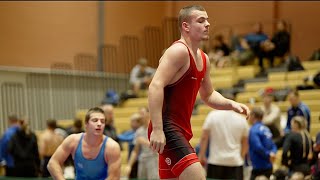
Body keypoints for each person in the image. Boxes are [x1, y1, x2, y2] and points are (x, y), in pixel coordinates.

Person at [147, 5, 250, 180]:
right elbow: (155, 86)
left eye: (207, 20)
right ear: (186, 26)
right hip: (167, 128)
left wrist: (230, 104)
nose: (207, 24)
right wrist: (157, 129)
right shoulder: (178, 51)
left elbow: (208, 95)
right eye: (201, 21)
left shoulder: (204, 58)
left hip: (181, 130)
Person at [47, 107, 121, 180]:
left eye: (102, 121)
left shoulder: (112, 147)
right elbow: (53, 163)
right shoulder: (73, 141)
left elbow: (114, 177)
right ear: (86, 124)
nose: (99, 124)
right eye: (95, 120)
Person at [198, 94, 249, 180]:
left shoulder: (212, 116)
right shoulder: (242, 120)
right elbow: (245, 143)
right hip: (235, 162)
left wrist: (201, 155)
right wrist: (241, 157)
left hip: (215, 161)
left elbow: (204, 137)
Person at [126, 109, 159, 180]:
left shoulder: (155, 128)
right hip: (142, 159)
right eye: (140, 114)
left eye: (142, 113)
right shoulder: (139, 131)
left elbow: (159, 146)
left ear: (148, 114)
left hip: (153, 158)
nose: (141, 116)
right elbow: (135, 151)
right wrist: (129, 165)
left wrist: (145, 142)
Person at [248, 107, 277, 180]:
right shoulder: (266, 129)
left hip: (258, 166)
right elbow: (273, 145)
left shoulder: (253, 130)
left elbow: (257, 147)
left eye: (250, 115)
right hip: (268, 165)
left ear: (253, 116)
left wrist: (268, 155)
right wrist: (272, 154)